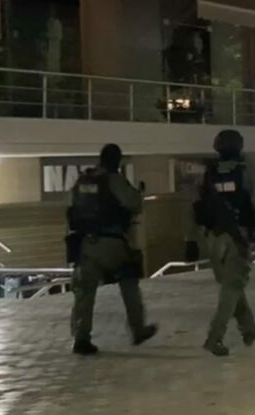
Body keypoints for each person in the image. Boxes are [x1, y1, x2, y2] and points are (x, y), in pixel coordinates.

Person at [187, 130, 255, 357]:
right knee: (232, 288)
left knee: (232, 285)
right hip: (238, 238)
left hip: (213, 239)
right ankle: (214, 337)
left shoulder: (208, 174)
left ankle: (249, 329)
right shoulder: (245, 172)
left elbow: (195, 207)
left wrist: (191, 239)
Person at [67, 143, 157, 355]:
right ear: (117, 160)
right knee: (129, 282)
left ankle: (81, 337)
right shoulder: (114, 179)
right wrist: (138, 193)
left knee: (84, 293)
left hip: (85, 243)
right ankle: (137, 329)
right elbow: (134, 204)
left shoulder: (84, 180)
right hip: (112, 242)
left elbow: (72, 208)